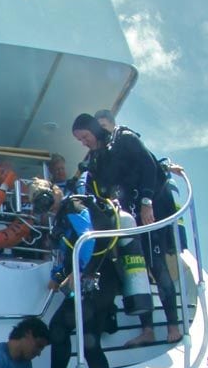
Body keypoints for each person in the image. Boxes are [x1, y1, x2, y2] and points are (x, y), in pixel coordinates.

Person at [74, 113, 182, 345]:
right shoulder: (97, 158)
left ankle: (173, 325)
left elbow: (149, 167)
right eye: (79, 140)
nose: (83, 142)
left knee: (156, 264)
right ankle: (147, 330)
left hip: (148, 212)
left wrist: (146, 202)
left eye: (84, 137)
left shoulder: (125, 138)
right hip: (127, 219)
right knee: (135, 269)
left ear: (94, 129)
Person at [33, 178, 121, 368]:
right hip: (97, 282)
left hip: (96, 279)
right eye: (41, 205)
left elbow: (88, 239)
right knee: (90, 345)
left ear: (55, 191)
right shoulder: (61, 219)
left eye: (45, 199)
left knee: (58, 328)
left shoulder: (73, 207)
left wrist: (80, 271)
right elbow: (63, 253)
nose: (47, 206)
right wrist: (57, 274)